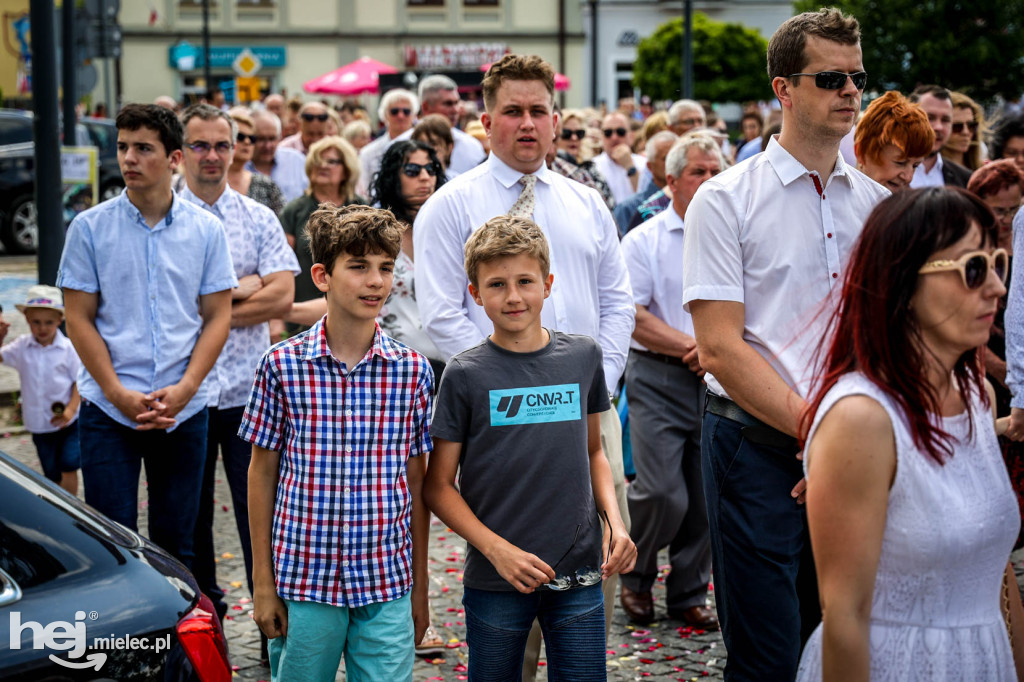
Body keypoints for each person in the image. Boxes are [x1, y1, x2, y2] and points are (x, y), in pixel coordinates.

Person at [413, 53, 635, 681]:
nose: (527, 123)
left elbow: (617, 301)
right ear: (486, 122)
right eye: (513, 111)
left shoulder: (587, 203)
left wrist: (597, 381)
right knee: (510, 597)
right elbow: (441, 315)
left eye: (539, 110)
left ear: (556, 119)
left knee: (590, 578)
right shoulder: (451, 206)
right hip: (497, 418)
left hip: (586, 412)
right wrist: (511, 377)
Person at [681, 10, 890, 678]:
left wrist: (850, 443)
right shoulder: (724, 199)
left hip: (852, 453)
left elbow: (885, 335)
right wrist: (818, 432)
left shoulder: (878, 204)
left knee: (844, 639)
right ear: (784, 89)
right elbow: (718, 347)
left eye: (857, 76)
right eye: (830, 77)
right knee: (768, 653)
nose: (851, 92)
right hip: (756, 447)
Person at [796, 187, 1024, 680]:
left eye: (998, 262)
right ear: (903, 282)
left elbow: (994, 571)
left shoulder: (978, 395)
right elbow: (844, 617)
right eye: (973, 269)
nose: (997, 288)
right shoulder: (862, 419)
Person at [242, 205, 432, 681]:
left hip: (386, 581)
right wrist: (263, 583)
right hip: (303, 580)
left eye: (386, 268)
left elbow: (416, 484)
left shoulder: (412, 372)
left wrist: (420, 587)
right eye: (359, 266)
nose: (376, 281)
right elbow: (261, 473)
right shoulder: (281, 366)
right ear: (322, 275)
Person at [57, 103, 236, 568]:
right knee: (110, 544)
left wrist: (186, 390)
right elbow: (77, 318)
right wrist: (116, 392)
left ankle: (173, 641)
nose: (129, 159)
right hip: (108, 408)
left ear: (175, 159)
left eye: (143, 148)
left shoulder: (206, 230)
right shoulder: (89, 228)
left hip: (183, 408)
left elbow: (217, 316)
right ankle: (121, 640)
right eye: (122, 147)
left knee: (177, 544)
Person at [177, 102, 299, 632]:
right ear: (181, 153)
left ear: (234, 149)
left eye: (221, 145)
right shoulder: (162, 217)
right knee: (189, 520)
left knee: (262, 517)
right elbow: (168, 301)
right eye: (200, 145)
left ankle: (271, 619)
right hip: (188, 390)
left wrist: (211, 306)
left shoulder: (258, 216)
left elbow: (282, 298)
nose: (211, 156)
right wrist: (244, 286)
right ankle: (206, 625)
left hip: (249, 392)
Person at [619, 134, 723, 628]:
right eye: (698, 172)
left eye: (715, 171)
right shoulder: (644, 239)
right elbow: (632, 316)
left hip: (719, 379)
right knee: (662, 492)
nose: (709, 181)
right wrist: (693, 348)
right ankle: (635, 576)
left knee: (706, 496)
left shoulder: (732, 237)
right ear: (671, 182)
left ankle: (686, 592)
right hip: (659, 375)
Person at [969, 160, 1024, 547]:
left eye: (1012, 209)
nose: (1005, 219)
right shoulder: (968, 253)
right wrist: (1004, 370)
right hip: (989, 380)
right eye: (997, 210)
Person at [0, 286, 81, 494]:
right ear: (27, 319)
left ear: (59, 321)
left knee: (69, 464)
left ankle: (71, 507)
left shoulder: (68, 349)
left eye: (49, 322)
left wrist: (71, 410)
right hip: (39, 425)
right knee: (51, 472)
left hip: (68, 422)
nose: (42, 328)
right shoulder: (21, 347)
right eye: (36, 322)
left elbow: (79, 382)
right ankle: (58, 504)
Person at [279, 136, 365, 333]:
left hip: (353, 316)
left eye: (332, 161)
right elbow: (282, 268)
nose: (322, 166)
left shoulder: (362, 209)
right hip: (301, 319)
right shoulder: (294, 210)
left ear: (347, 169)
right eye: (317, 160)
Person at [852, 90, 934, 192]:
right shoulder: (833, 203)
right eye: (901, 163)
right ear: (861, 152)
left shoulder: (915, 205)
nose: (908, 177)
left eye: (915, 166)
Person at [613, 130, 676, 234]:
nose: (673, 164)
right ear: (650, 166)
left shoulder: (691, 202)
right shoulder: (628, 208)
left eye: (676, 158)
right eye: (666, 158)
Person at [909, 85, 972, 188]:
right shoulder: (885, 174)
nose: (938, 127)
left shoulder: (965, 179)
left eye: (945, 120)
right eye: (930, 118)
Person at [358, 88, 419, 195]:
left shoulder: (424, 148)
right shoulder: (368, 152)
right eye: (394, 111)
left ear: (414, 115)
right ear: (384, 115)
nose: (401, 116)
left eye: (406, 111)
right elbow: (363, 189)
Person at [227, 108, 285, 214]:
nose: (247, 141)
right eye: (240, 137)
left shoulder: (266, 184)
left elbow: (283, 224)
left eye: (252, 138)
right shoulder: (210, 180)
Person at [247, 110, 309, 204]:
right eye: (261, 139)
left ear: (280, 137)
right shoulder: (238, 166)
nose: (267, 146)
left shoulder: (297, 161)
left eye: (272, 139)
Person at [592, 111, 648, 204]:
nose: (614, 137)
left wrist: (630, 167)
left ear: (631, 136)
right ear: (601, 137)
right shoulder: (593, 167)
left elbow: (646, 199)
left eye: (620, 132)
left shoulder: (644, 163)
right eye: (608, 133)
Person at [942, 91, 987, 171]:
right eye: (957, 127)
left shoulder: (985, 170)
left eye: (971, 126)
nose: (965, 132)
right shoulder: (925, 169)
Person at [411, 114, 457, 179]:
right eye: (421, 144)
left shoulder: (459, 184)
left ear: (449, 148)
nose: (426, 149)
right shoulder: (407, 182)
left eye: (433, 144)